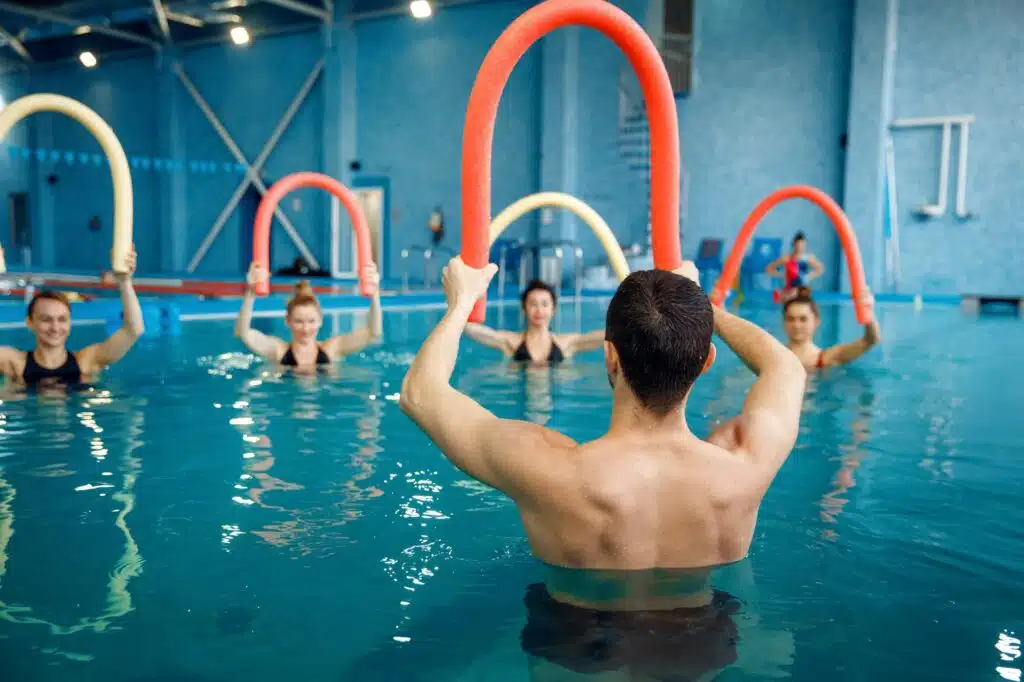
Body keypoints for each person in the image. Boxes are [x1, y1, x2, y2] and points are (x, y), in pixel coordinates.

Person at [400, 256, 806, 679]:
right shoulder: (744, 467)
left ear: (609, 356)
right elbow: (786, 368)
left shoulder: (552, 471)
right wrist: (703, 311)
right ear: (706, 360)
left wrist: (461, 300)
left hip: (576, 653)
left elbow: (420, 393)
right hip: (697, 648)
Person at [0, 248, 144, 386]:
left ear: (70, 323)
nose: (55, 328)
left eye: (62, 319)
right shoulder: (14, 364)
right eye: (46, 319)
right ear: (29, 322)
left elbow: (133, 330)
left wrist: (124, 281)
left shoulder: (86, 362)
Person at [234, 262, 382, 370]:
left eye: (311, 321)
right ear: (288, 321)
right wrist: (250, 293)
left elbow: (374, 333)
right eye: (299, 321)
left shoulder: (331, 349)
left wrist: (375, 293)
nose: (306, 329)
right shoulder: (278, 351)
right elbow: (243, 333)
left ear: (320, 321)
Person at [463, 280, 603, 364]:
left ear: (553, 309)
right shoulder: (511, 342)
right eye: (533, 304)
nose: (539, 310)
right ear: (524, 309)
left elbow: (602, 337)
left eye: (544, 304)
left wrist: (623, 326)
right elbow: (473, 331)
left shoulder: (565, 344)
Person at [782, 289, 881, 370]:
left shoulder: (828, 357)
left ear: (816, 321)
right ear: (784, 322)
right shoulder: (774, 354)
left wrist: (868, 312)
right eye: (790, 319)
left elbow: (870, 340)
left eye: (803, 319)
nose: (796, 325)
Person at [765, 231, 825, 301]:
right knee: (781, 296)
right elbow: (768, 269)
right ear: (794, 245)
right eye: (798, 245)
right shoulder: (786, 259)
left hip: (802, 290)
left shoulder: (808, 258)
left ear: (805, 246)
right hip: (789, 289)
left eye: (802, 246)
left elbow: (820, 269)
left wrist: (809, 277)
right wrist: (783, 275)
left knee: (797, 294)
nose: (800, 248)